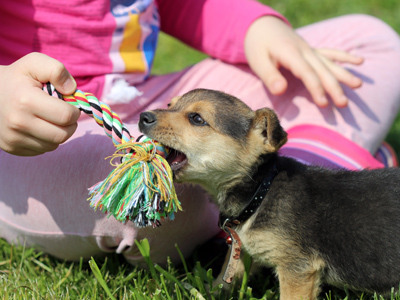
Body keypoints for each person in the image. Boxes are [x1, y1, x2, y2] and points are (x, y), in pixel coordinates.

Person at [0, 0, 399, 266]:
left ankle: (298, 182)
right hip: (30, 132)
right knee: (151, 191)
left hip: (150, 100)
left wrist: (253, 28)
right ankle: (319, 175)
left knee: (370, 45)